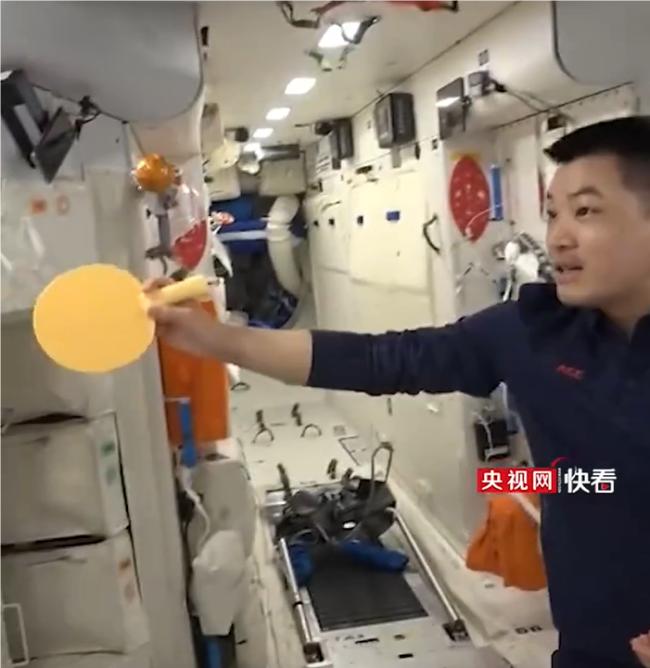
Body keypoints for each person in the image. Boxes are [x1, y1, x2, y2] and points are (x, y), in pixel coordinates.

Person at [146, 116, 650, 668]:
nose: (559, 237)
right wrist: (214, 339)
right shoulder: (534, 331)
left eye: (586, 211)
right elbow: (380, 359)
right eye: (552, 213)